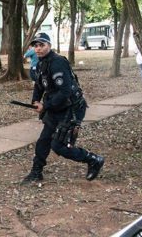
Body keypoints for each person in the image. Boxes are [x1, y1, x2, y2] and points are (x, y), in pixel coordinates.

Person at [21, 32, 104, 184]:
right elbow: (39, 85)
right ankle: (36, 172)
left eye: (42, 45)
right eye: (36, 46)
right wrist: (35, 101)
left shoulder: (57, 62)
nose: (38, 49)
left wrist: (45, 105)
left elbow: (65, 92)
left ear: (49, 46)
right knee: (43, 141)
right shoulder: (40, 63)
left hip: (71, 108)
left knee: (59, 146)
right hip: (55, 108)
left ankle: (94, 159)